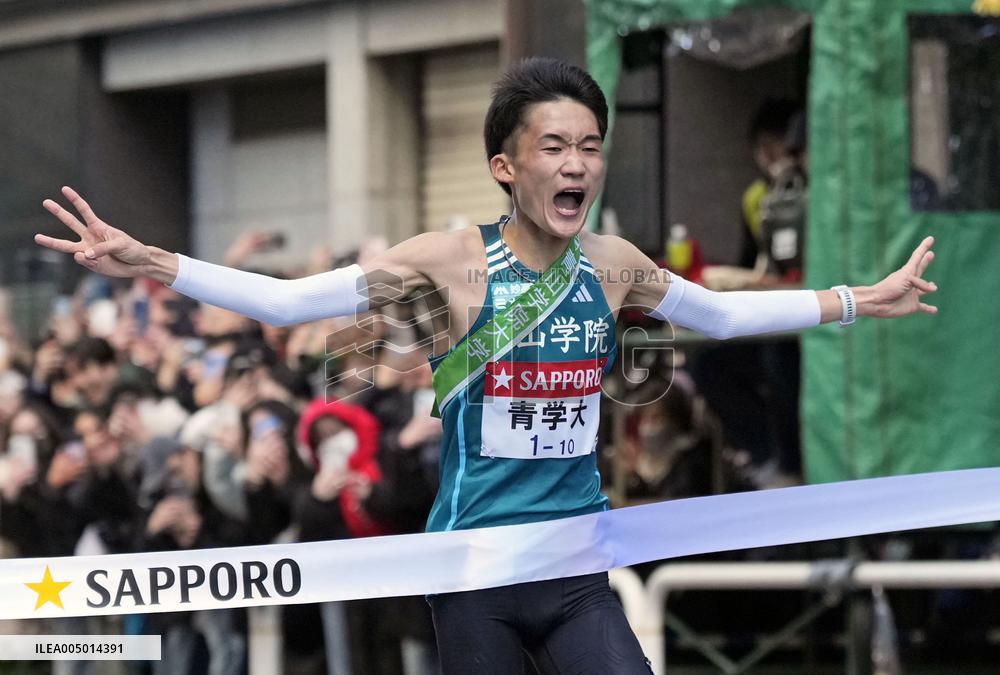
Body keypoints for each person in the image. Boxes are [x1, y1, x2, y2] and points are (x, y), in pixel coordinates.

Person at [35, 57, 938, 674]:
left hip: (578, 564)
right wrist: (154, 262)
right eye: (555, 147)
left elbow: (726, 313)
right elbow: (290, 304)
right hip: (473, 573)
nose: (577, 163)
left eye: (590, 145)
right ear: (506, 167)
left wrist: (865, 298)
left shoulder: (613, 264)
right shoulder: (448, 258)